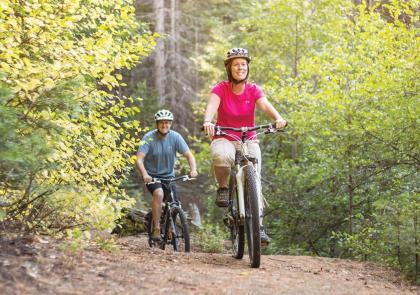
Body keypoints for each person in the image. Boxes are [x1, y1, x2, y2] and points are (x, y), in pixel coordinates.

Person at [202, 47, 287, 244]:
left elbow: (265, 105)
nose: (240, 67)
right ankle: (223, 187)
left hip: (248, 139)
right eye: (236, 64)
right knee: (221, 156)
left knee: (255, 179)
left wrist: (278, 118)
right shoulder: (221, 88)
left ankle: (260, 227)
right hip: (224, 135)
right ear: (229, 68)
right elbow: (212, 106)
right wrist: (208, 121)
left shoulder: (253, 89)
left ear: (248, 67)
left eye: (243, 64)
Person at [136, 109, 198, 241]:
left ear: (170, 124)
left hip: (169, 177)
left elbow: (189, 155)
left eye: (167, 123)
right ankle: (157, 228)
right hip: (153, 177)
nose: (164, 125)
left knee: (174, 203)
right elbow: (139, 159)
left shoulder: (176, 137)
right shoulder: (149, 138)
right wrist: (145, 174)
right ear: (157, 124)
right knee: (159, 194)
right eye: (162, 123)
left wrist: (193, 169)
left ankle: (170, 226)